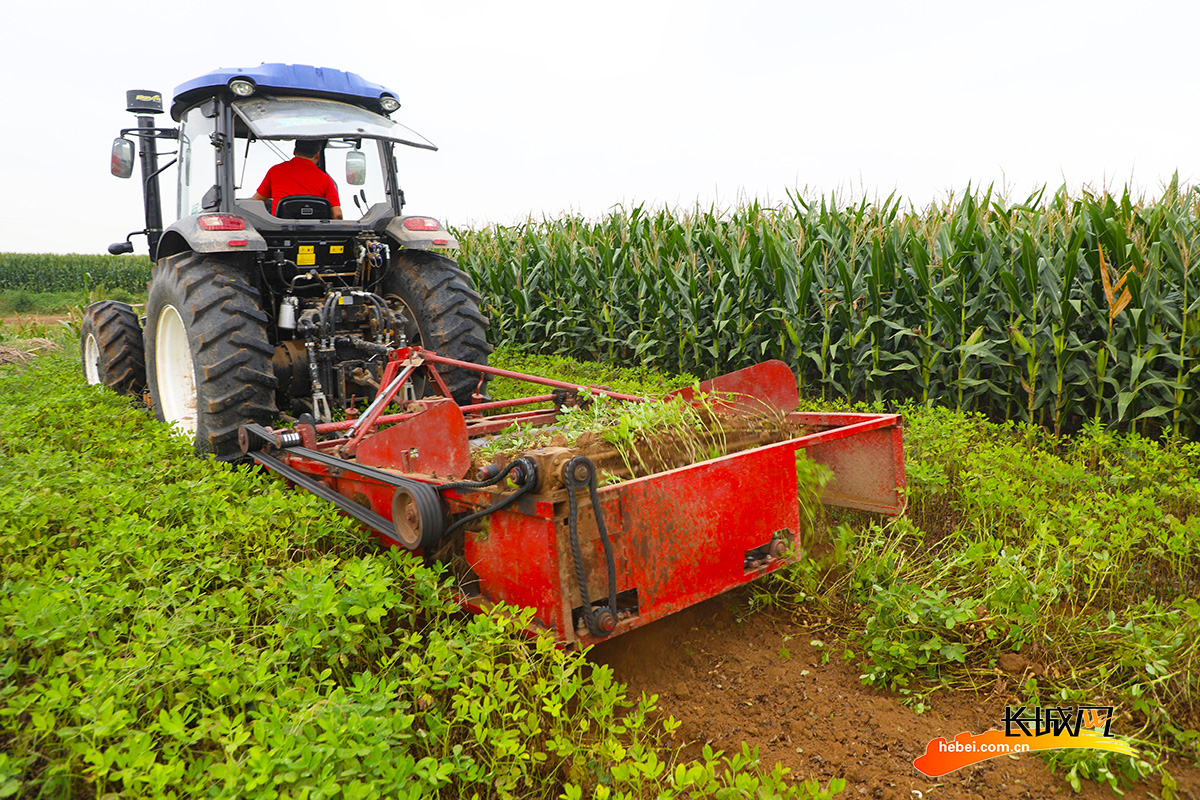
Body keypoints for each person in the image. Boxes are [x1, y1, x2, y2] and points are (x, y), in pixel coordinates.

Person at [252, 139, 343, 219]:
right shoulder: (325, 179)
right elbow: (337, 215)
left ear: (294, 151)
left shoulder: (275, 171)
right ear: (318, 155)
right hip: (315, 231)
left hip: (279, 229)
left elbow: (256, 202)